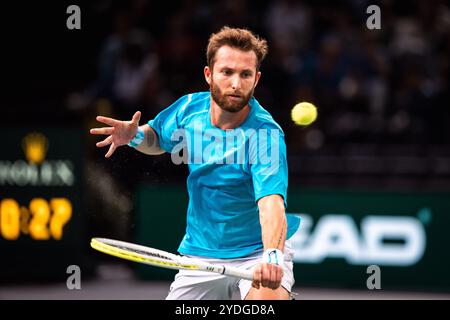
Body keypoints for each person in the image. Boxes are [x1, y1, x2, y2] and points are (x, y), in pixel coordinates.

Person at [90, 26, 301, 300]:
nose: (236, 83)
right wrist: (135, 136)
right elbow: (158, 139)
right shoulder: (188, 109)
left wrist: (272, 255)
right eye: (227, 72)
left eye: (245, 74)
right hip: (201, 253)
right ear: (208, 74)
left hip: (255, 253)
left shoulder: (265, 135)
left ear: (256, 79)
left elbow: (271, 204)